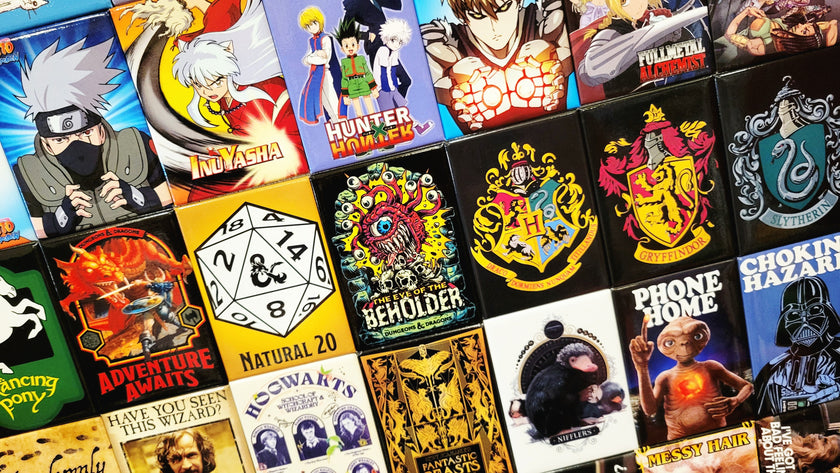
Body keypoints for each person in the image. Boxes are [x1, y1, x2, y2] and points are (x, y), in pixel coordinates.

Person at [13, 37, 170, 238]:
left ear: (100, 131)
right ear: (47, 145)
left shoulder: (135, 143)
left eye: (85, 133)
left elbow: (174, 193)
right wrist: (61, 217)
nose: (77, 146)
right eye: (61, 139)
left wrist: (136, 196)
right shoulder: (26, 171)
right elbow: (24, 232)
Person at [421, 0, 572, 133]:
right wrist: (454, 81)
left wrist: (556, 58)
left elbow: (574, 49)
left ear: (519, 2)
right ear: (462, 17)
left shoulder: (546, 21)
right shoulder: (445, 46)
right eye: (478, 16)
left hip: (560, 132)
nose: (494, 27)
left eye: (504, 8)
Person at [171, 0, 299, 137]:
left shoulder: (260, 91)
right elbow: (217, 28)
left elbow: (223, 17)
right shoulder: (223, 93)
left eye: (216, 82)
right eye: (198, 85)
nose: (207, 91)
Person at [755, 276, 840, 415]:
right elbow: (763, 420)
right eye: (794, 314)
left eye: (814, 310)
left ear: (828, 314)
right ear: (784, 322)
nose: (805, 322)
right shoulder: (772, 371)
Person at [298, 6, 342, 124]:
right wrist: (315, 54)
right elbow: (305, 60)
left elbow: (324, 60)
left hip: (325, 73)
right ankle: (334, 122)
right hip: (315, 75)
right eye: (308, 26)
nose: (311, 27)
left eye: (313, 23)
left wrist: (312, 58)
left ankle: (340, 122)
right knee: (323, 101)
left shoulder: (326, 38)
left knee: (332, 99)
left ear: (319, 21)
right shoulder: (311, 41)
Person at [335, 16, 379, 118]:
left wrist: (374, 88)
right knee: (358, 110)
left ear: (358, 46)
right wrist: (345, 96)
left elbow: (367, 73)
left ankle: (375, 122)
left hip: (363, 82)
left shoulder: (361, 59)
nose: (350, 48)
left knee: (369, 105)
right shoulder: (344, 62)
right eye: (346, 46)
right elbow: (344, 79)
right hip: (351, 85)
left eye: (353, 44)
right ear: (342, 49)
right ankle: (362, 124)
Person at [372, 17, 412, 111]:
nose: (396, 45)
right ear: (387, 38)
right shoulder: (383, 50)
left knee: (400, 106)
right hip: (382, 88)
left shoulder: (394, 52)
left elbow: (392, 72)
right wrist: (390, 89)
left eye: (400, 42)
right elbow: (384, 73)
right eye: (393, 40)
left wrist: (394, 88)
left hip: (391, 87)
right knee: (389, 111)